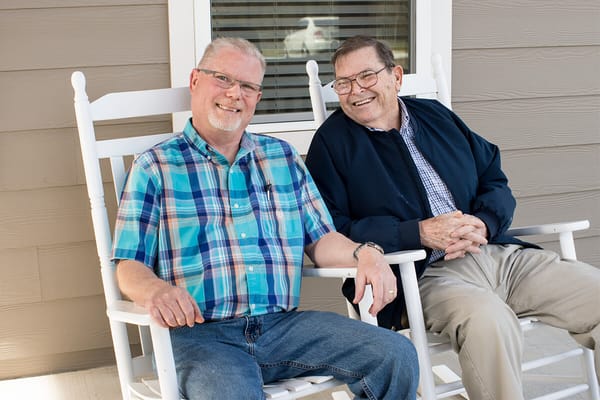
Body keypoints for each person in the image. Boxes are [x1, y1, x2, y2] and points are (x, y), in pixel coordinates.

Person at [111, 37, 419, 400]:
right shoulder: (155, 167)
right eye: (223, 79)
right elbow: (128, 264)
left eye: (247, 86)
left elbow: (321, 240)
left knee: (395, 354)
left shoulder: (282, 158)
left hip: (284, 327)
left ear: (257, 98)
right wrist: (156, 291)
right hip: (201, 336)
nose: (234, 94)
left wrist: (365, 252)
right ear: (196, 81)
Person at [305, 35, 600, 399]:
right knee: (489, 321)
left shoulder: (436, 116)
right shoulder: (331, 145)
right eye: (344, 83)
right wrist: (418, 233)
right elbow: (332, 229)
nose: (355, 91)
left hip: (497, 255)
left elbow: (493, 175)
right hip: (421, 275)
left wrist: (486, 222)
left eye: (366, 76)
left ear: (395, 77)